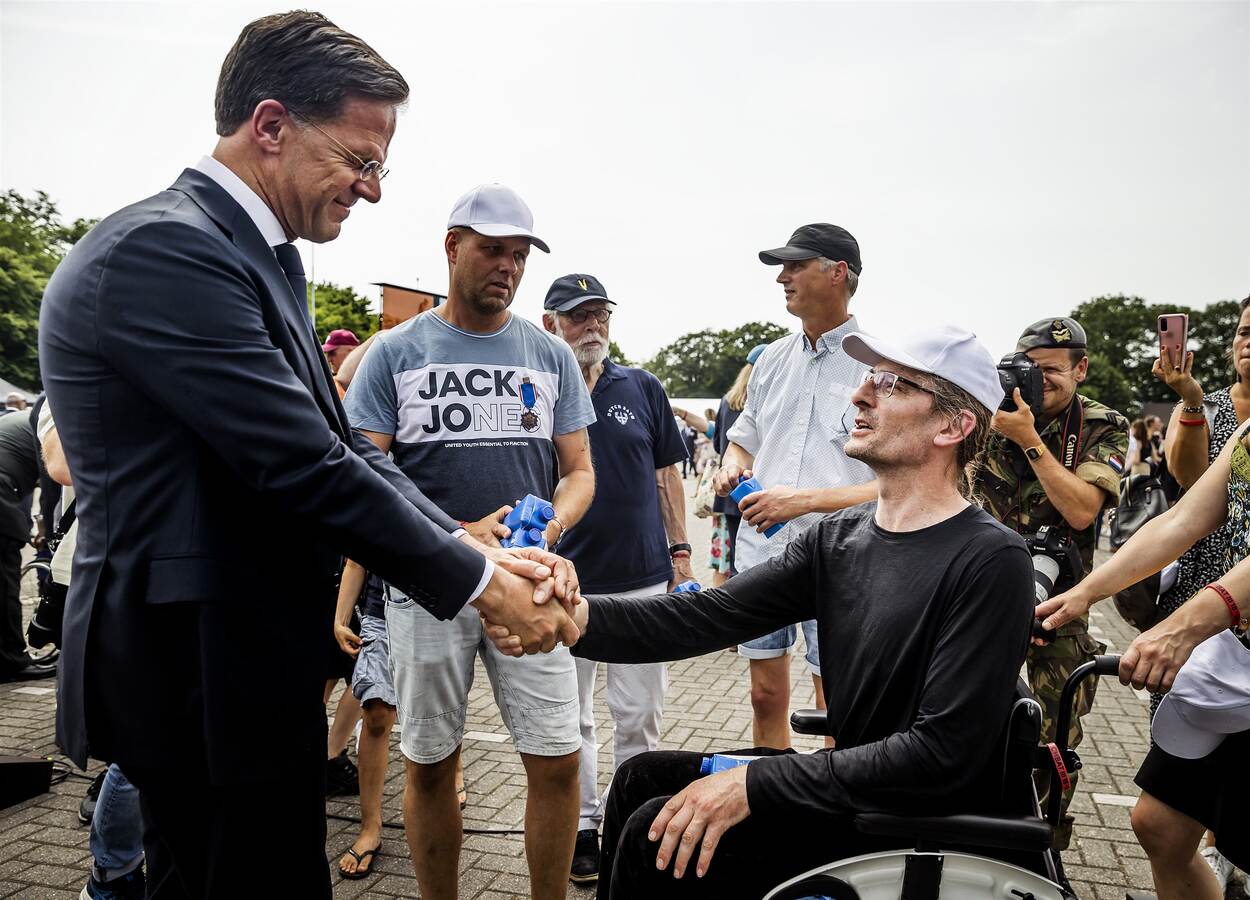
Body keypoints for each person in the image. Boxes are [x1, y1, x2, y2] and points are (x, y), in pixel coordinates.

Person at [38, 14, 579, 895]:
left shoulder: (252, 255)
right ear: (271, 125)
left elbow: (340, 447)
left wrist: (472, 543)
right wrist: (483, 586)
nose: (371, 189)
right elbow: (298, 465)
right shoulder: (167, 249)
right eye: (359, 159)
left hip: (242, 663)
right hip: (194, 670)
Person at [488, 325, 1032, 898]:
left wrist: (757, 782)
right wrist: (569, 615)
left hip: (909, 816)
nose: (861, 393)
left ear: (953, 427)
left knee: (657, 831)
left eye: (893, 384)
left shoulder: (990, 560)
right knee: (639, 777)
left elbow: (940, 755)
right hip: (856, 786)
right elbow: (704, 616)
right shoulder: (838, 539)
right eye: (870, 377)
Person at [344, 183, 596, 899]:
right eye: (492, 250)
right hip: (426, 584)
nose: (507, 267)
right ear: (452, 247)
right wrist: (457, 534)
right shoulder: (395, 352)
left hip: (530, 579)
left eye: (519, 255)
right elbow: (365, 467)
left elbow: (580, 472)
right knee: (430, 763)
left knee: (558, 758)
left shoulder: (549, 354)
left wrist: (550, 525)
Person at [1037, 394, 1250, 900]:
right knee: (1160, 827)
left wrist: (1183, 627)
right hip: (1238, 659)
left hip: (1229, 645)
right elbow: (1181, 521)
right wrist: (1084, 593)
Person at [541, 273, 692, 884]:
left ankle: (630, 824)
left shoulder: (643, 386)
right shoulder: (538, 388)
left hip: (642, 581)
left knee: (639, 716)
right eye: (580, 315)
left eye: (601, 314)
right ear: (551, 323)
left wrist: (682, 553)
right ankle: (582, 825)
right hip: (565, 583)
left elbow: (667, 476)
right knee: (569, 717)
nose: (594, 325)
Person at [713, 223, 878, 751]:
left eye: (795, 265)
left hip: (842, 557)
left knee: (836, 703)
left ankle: (831, 794)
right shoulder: (770, 359)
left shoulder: (880, 366)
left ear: (838, 274)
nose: (781, 277)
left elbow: (893, 487)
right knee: (764, 696)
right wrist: (731, 466)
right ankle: (770, 787)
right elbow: (742, 441)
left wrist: (802, 501)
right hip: (764, 551)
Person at [973, 316, 1128, 849]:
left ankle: (1044, 848)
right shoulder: (989, 413)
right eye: (1029, 369)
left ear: (1080, 370)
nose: (1039, 381)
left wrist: (1029, 440)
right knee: (967, 717)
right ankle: (971, 835)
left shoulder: (1102, 425)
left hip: (1060, 601)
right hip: (985, 591)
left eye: (1052, 371)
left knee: (1053, 736)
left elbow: (1082, 510)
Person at [1127, 295, 1250, 888]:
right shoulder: (1217, 409)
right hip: (1205, 596)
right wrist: (1191, 401)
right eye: (1244, 332)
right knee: (1162, 816)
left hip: (1224, 610)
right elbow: (1187, 491)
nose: (1249, 343)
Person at [40, 403, 145, 899]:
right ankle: (111, 874)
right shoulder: (72, 383)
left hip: (148, 570)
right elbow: (62, 464)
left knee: (142, 737)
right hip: (100, 575)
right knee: (138, 741)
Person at [0, 408, 54, 683]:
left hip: (6, 485)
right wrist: (51, 535)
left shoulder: (20, 422)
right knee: (5, 585)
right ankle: (11, 662)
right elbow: (52, 489)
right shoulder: (50, 422)